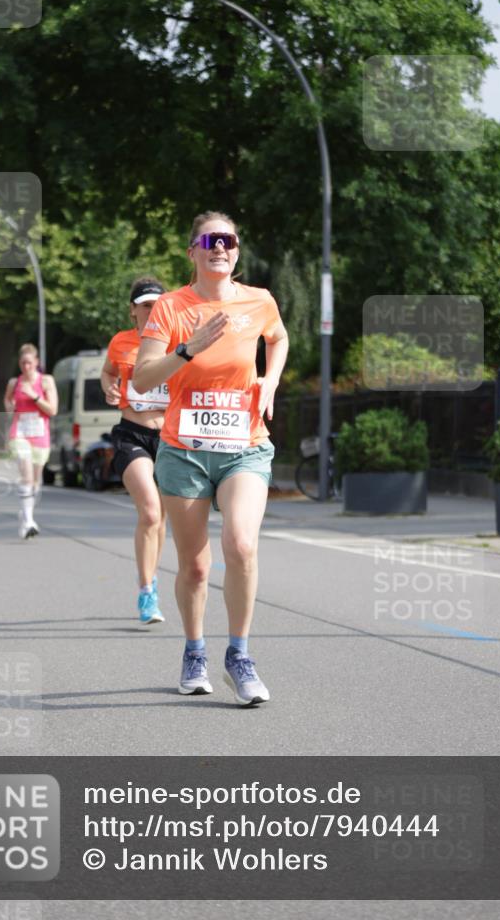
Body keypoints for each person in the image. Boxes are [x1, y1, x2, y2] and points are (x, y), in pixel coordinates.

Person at [133, 212, 289, 705]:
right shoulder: (171, 308)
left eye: (228, 240)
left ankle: (239, 656)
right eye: (209, 240)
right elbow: (140, 378)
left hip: (245, 446)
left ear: (237, 251)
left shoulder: (259, 300)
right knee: (195, 567)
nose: (219, 247)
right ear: (193, 252)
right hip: (184, 452)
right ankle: (194, 650)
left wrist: (271, 380)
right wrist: (186, 350)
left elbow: (278, 339)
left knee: (241, 546)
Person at [101, 278, 169, 626]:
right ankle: (146, 591)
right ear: (133, 309)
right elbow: (108, 372)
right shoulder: (121, 342)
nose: (152, 309)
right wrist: (109, 389)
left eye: (157, 303)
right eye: (145, 305)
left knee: (161, 521)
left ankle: (152, 578)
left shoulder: (176, 341)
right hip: (132, 434)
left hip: (170, 438)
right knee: (150, 512)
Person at [3, 344, 58, 539]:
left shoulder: (46, 381)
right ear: (19, 363)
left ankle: (26, 513)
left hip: (40, 434)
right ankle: (28, 522)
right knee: (26, 476)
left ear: (36, 363)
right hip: (19, 433)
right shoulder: (14, 383)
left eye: (29, 362)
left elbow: (52, 410)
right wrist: (10, 406)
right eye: (23, 363)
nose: (26, 366)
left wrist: (34, 396)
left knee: (35, 482)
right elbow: (8, 403)